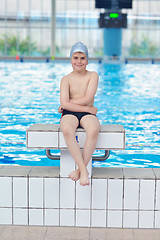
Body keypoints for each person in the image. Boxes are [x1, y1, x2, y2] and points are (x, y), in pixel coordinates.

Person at [58, 42, 100, 186]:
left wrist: (67, 103)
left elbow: (88, 98)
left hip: (84, 112)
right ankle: (83, 170)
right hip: (73, 112)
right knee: (67, 130)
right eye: (75, 58)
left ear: (87, 61)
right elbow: (65, 104)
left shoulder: (93, 75)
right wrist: (87, 109)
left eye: (82, 58)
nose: (79, 61)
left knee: (94, 129)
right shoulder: (66, 79)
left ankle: (79, 171)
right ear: (71, 60)